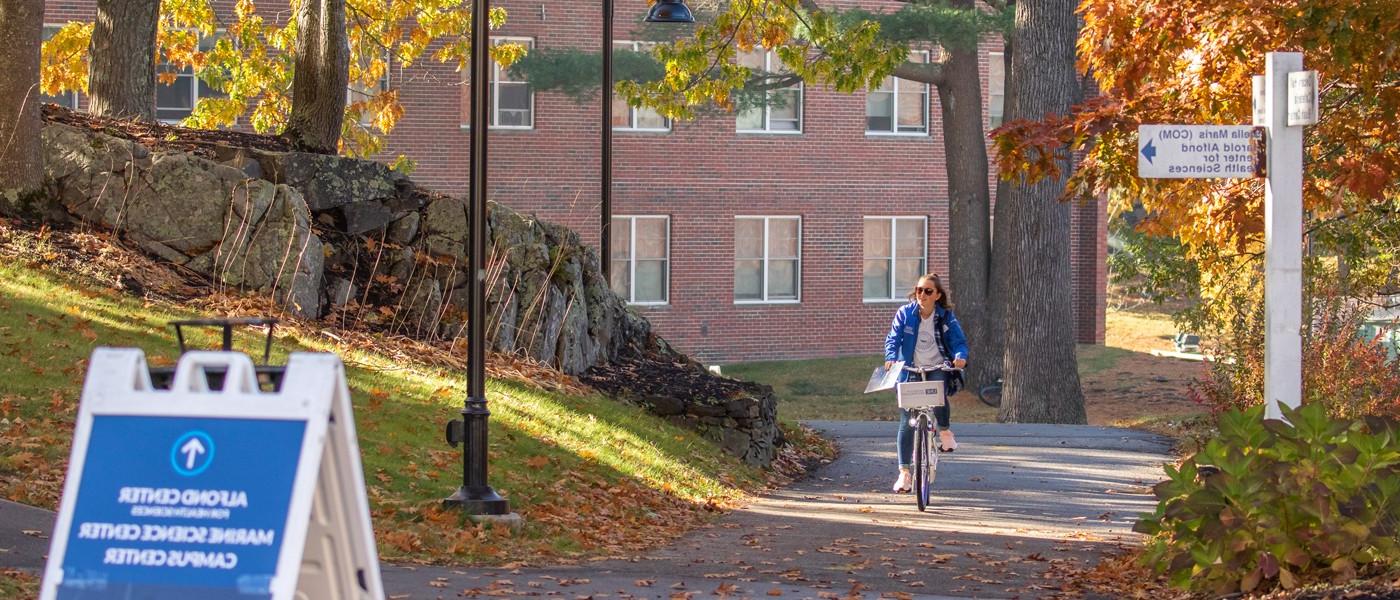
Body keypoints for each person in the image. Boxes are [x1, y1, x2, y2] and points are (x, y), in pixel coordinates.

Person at [883, 273, 968, 493]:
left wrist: (960, 357)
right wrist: (891, 357)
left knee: (938, 395)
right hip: (910, 369)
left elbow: (958, 341)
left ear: (937, 295)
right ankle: (904, 474)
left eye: (928, 291)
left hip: (936, 368)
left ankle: (946, 432)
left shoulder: (945, 317)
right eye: (919, 290)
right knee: (906, 420)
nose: (922, 295)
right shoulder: (905, 314)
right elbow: (893, 338)